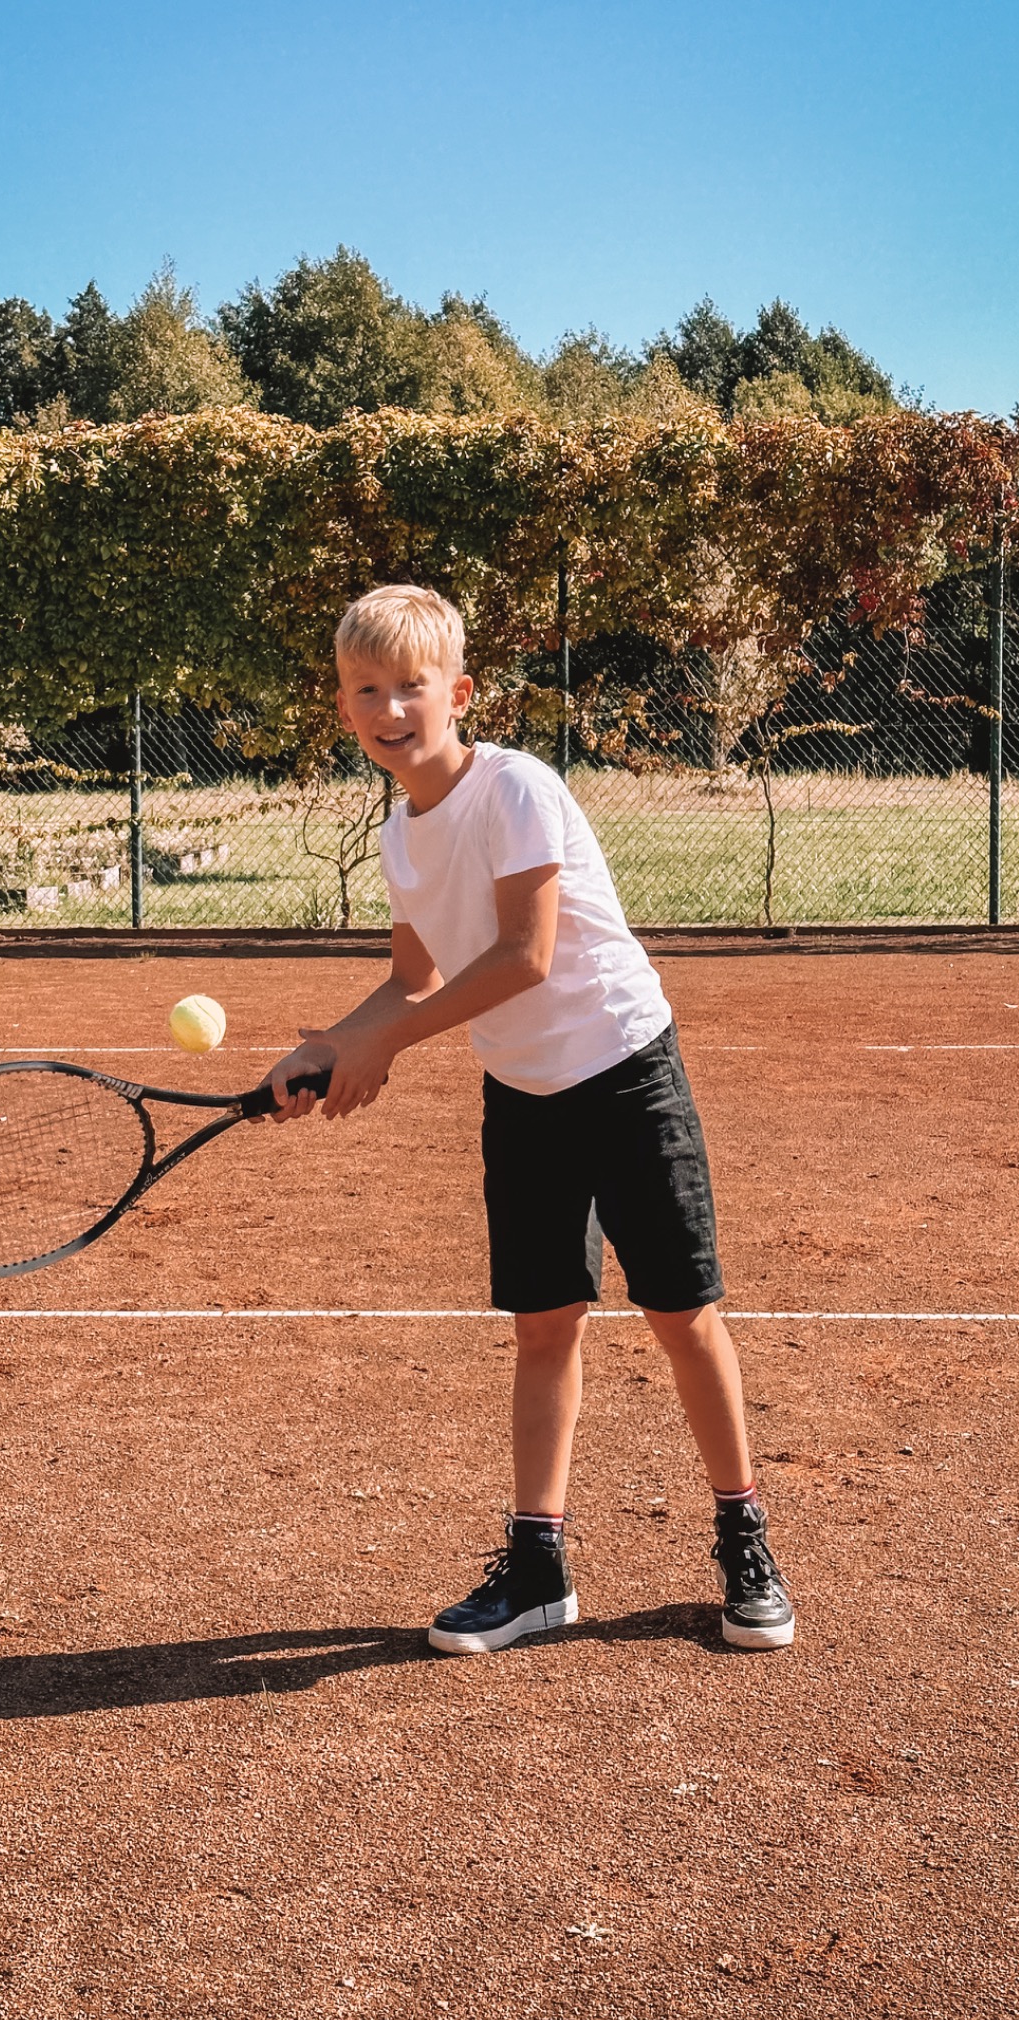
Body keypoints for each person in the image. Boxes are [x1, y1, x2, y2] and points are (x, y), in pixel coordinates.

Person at [265, 585, 794, 1654]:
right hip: (523, 1095)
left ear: (456, 692)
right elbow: (411, 979)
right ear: (342, 709)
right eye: (366, 690)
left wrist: (381, 1047)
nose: (389, 707)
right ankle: (538, 1567)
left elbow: (524, 954)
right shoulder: (398, 838)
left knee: (679, 1310)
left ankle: (743, 1534)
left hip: (624, 1065)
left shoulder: (515, 788)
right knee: (543, 1325)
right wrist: (329, 1041)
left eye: (410, 685)